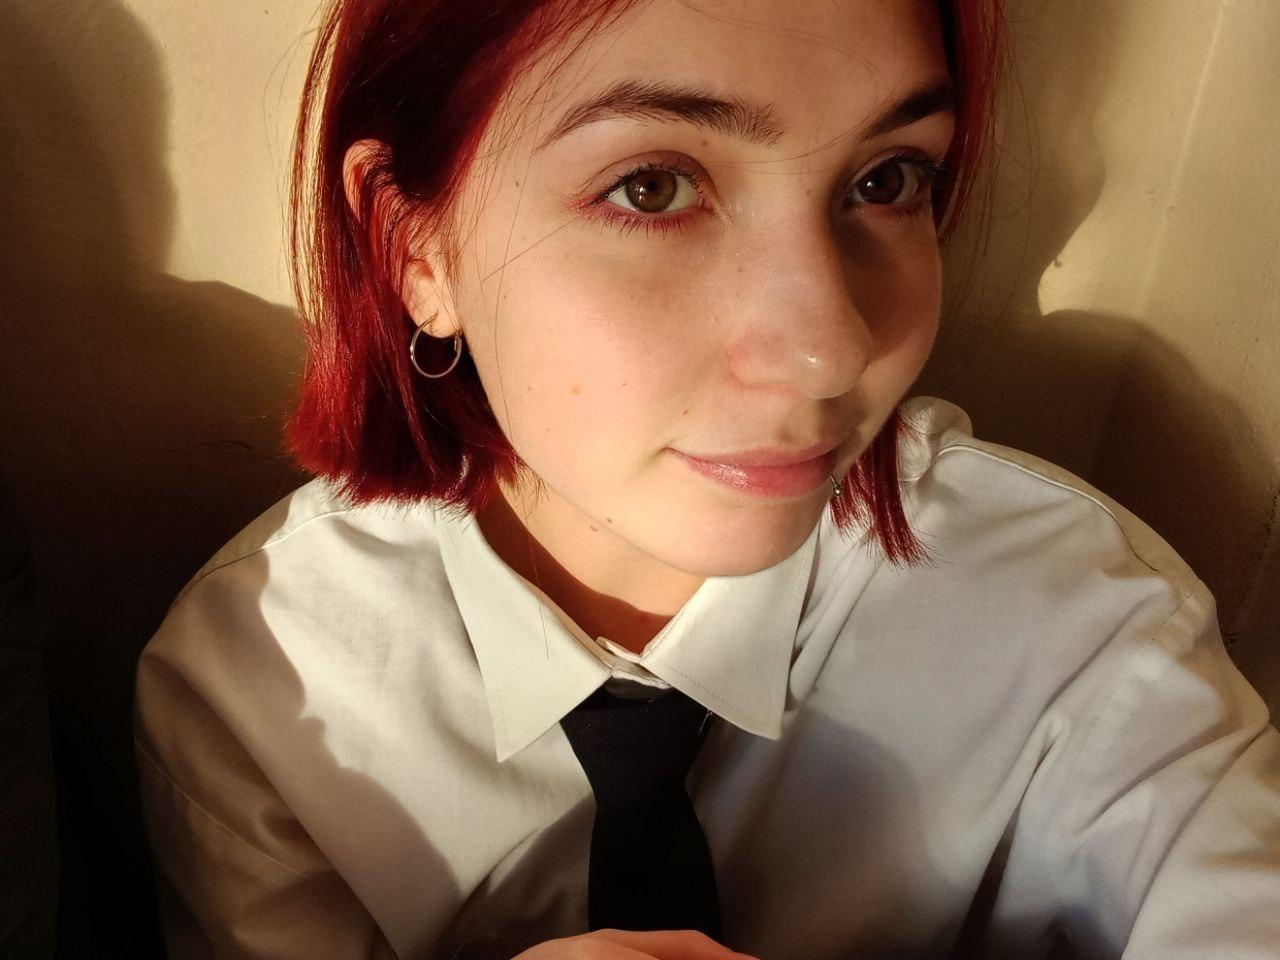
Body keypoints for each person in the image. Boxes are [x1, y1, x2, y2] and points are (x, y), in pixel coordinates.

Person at [132, 0, 1280, 958]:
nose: (830, 349)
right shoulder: (264, 686)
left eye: (886, 178)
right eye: (651, 188)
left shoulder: (1078, 626)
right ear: (410, 248)